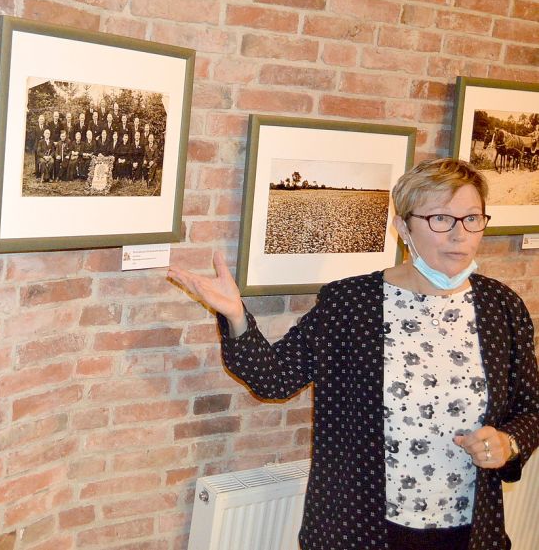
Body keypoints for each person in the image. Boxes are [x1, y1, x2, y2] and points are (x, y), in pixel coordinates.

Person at [167, 158, 537, 550]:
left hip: (469, 531)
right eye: (441, 219)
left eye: (472, 219)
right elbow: (274, 378)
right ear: (404, 228)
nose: (459, 235)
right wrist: (236, 315)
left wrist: (508, 443)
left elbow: (530, 409)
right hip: (359, 528)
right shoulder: (350, 303)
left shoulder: (501, 307)